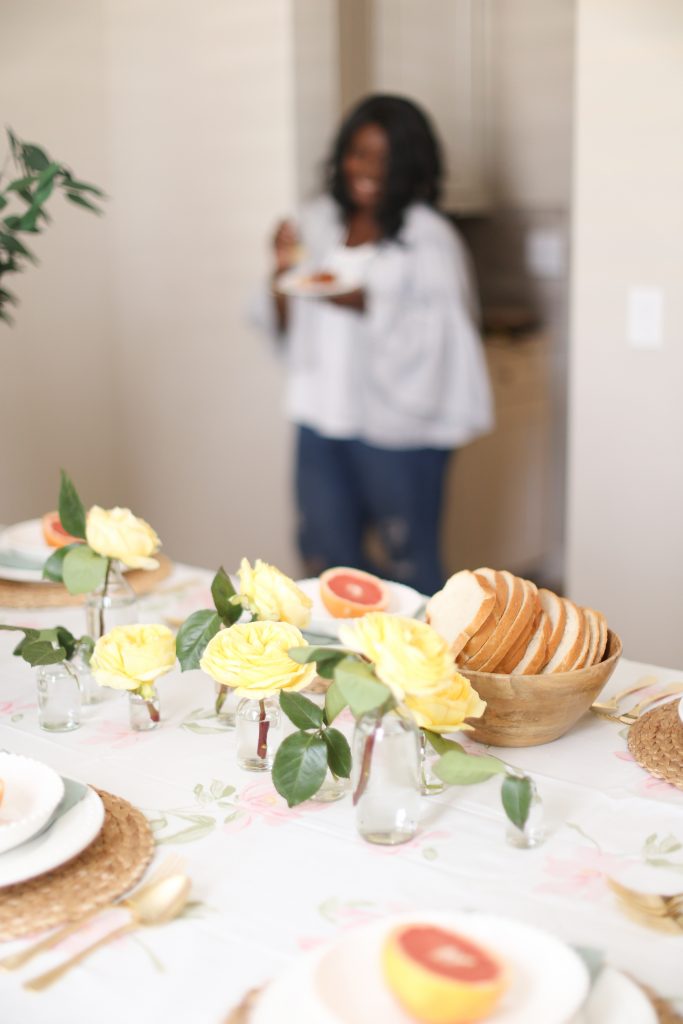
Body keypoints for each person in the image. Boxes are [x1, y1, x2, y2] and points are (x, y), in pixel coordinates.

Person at [251, 94, 493, 596]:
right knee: (326, 564)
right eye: (359, 152)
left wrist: (365, 302)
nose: (369, 168)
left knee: (408, 565)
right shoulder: (317, 222)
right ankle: (338, 672)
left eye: (386, 157)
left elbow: (447, 340)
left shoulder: (430, 239)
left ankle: (421, 670)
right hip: (319, 418)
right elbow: (285, 315)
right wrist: (279, 270)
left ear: (412, 164)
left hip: (402, 428)